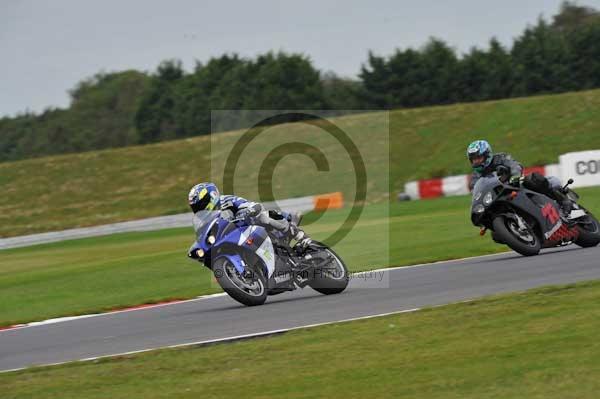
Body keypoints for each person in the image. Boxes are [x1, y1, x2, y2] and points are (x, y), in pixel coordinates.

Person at [466, 140, 579, 218]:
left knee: (533, 179)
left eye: (478, 158)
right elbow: (474, 188)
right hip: (499, 196)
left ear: (487, 154)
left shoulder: (500, 158)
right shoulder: (476, 175)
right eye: (473, 160)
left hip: (515, 185)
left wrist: (515, 175)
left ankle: (563, 201)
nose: (476, 162)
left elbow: (514, 165)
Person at [186, 182, 310, 251]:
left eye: (200, 205)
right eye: (195, 207)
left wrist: (248, 211)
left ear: (212, 197)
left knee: (263, 215)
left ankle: (297, 234)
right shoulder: (203, 221)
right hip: (236, 240)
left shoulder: (226, 201)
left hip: (252, 228)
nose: (198, 209)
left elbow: (253, 205)